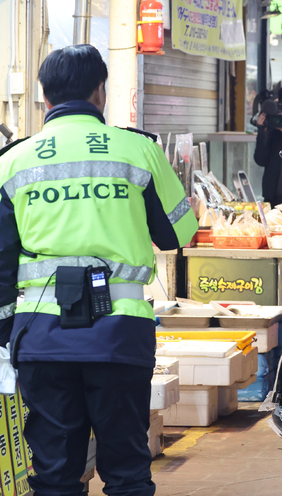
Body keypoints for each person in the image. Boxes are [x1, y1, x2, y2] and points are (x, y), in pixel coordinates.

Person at [0, 45, 198, 495]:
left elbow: (1, 261)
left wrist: (6, 334)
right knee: (127, 470)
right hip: (118, 336)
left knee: (54, 475)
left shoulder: (12, 161)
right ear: (100, 93)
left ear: (45, 97)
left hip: (42, 342)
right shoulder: (138, 151)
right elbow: (178, 232)